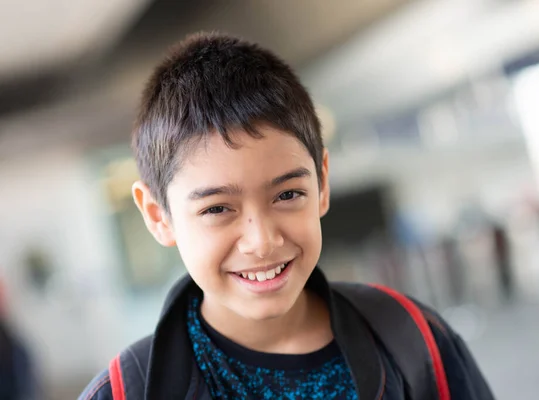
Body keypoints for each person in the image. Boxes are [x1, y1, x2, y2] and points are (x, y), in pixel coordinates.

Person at [79, 33, 494, 399]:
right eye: (217, 208)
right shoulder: (123, 392)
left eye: (288, 194)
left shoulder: (413, 340)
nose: (261, 241)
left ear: (322, 185)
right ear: (158, 216)